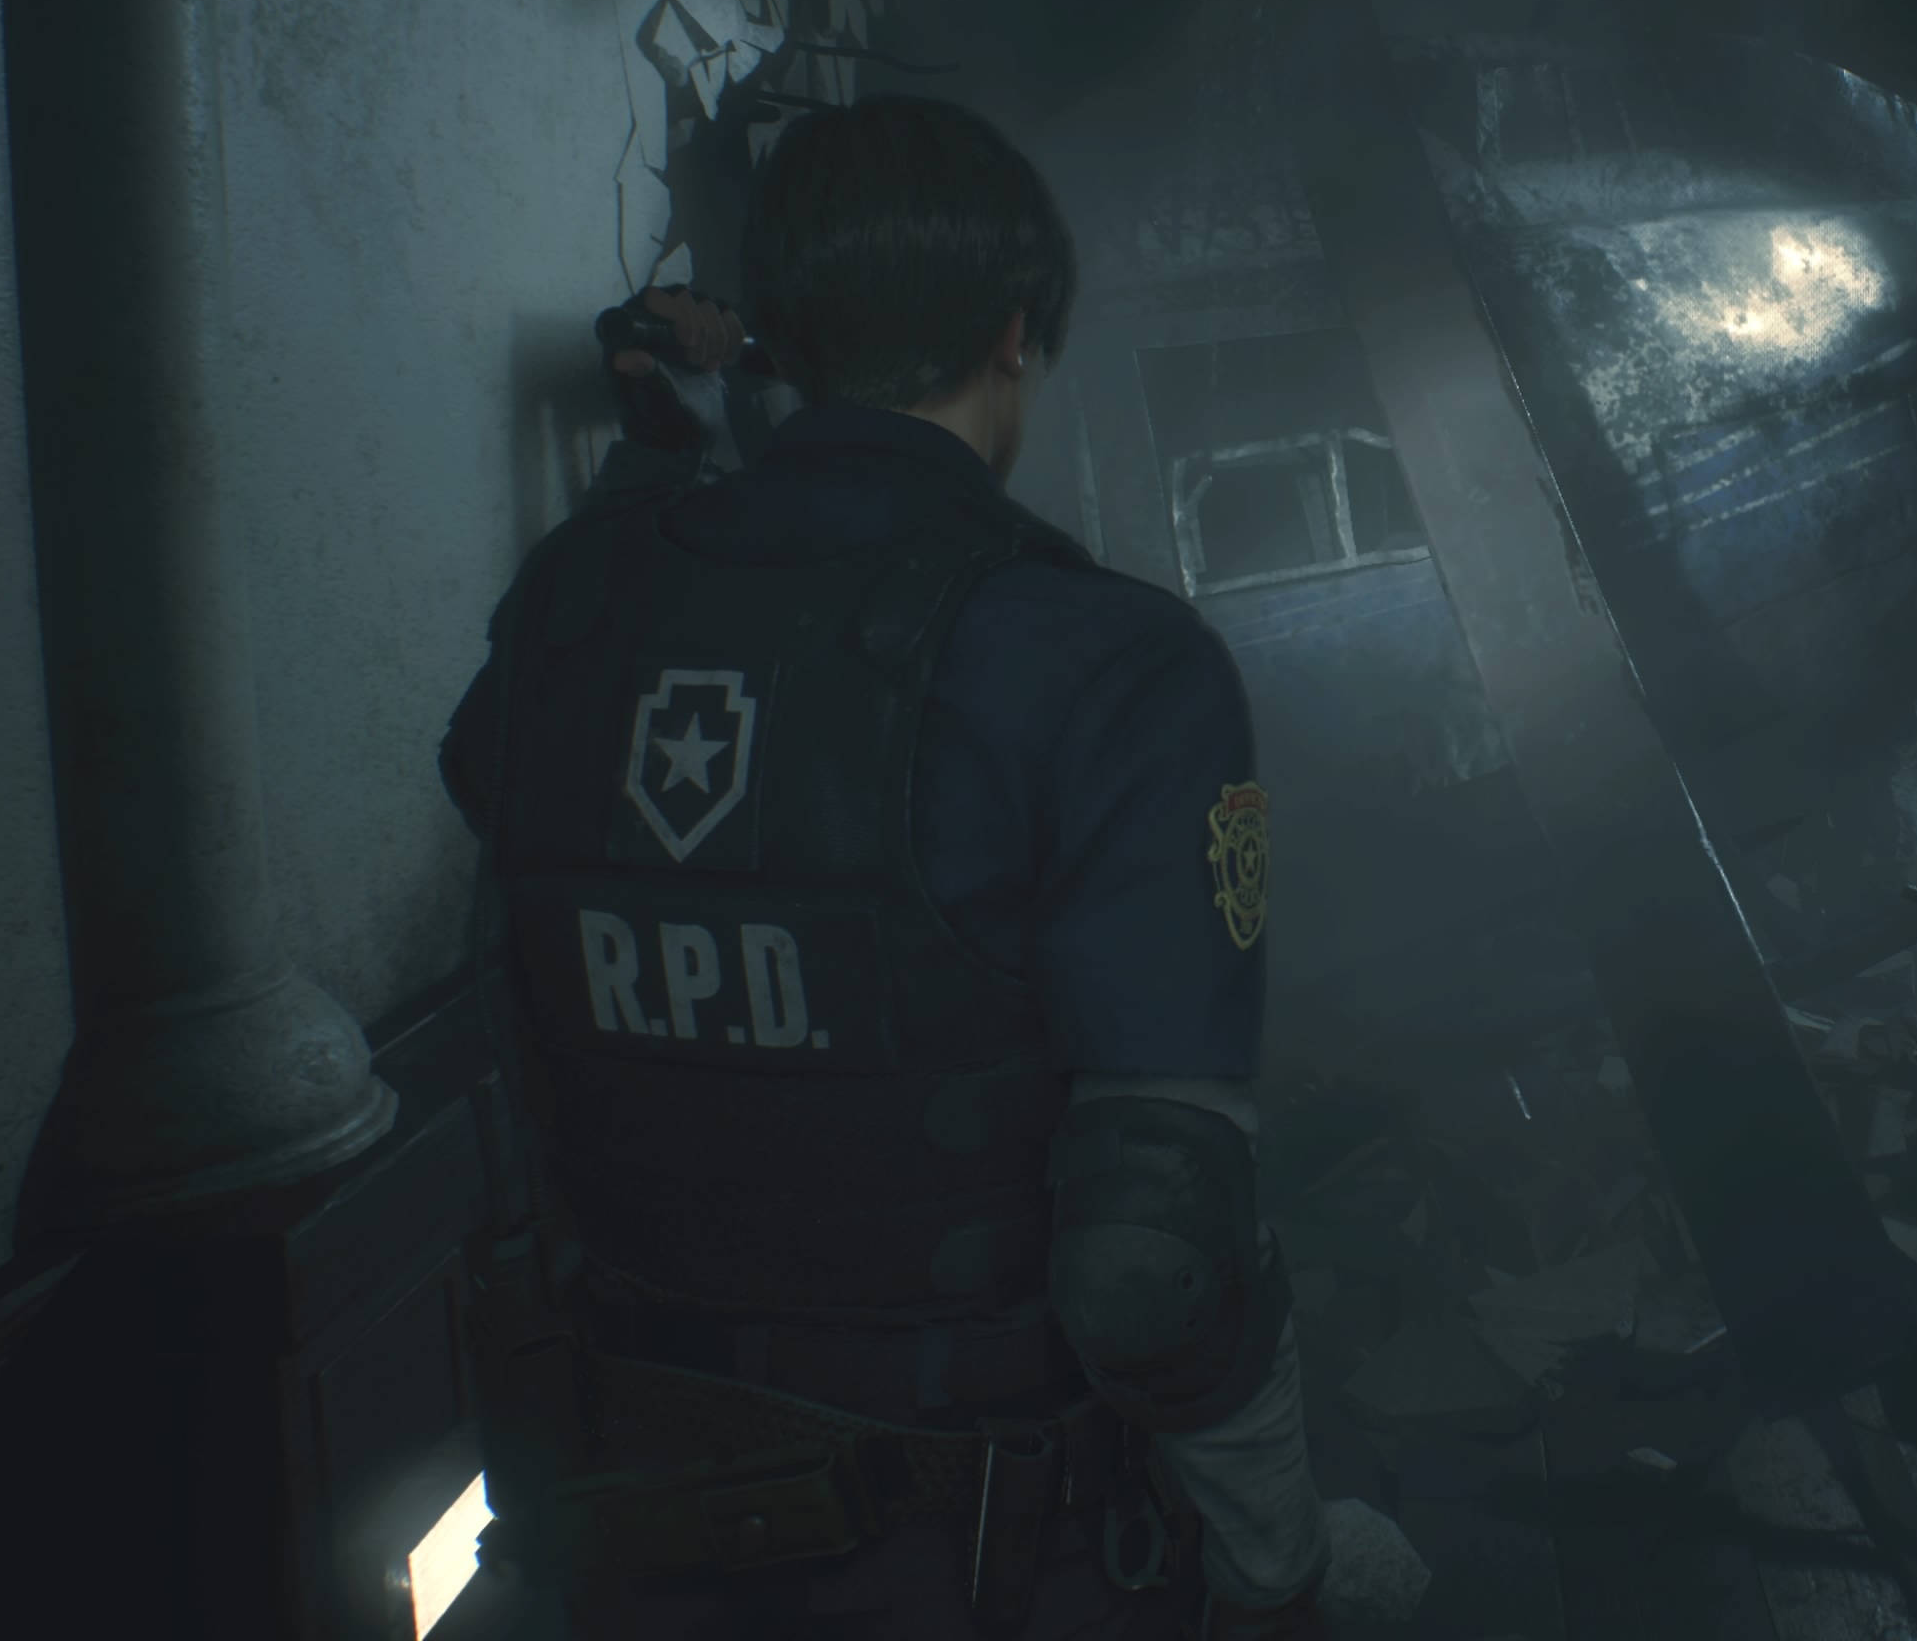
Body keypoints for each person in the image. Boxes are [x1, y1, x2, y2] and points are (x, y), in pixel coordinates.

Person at [439, 97, 1328, 1639]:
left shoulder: (577, 599)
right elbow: (1154, 1249)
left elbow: (508, 782)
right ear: (1015, 333)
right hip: (980, 1563)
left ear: (779, 338)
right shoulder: (1110, 661)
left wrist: (662, 468)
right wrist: (1278, 1572)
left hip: (616, 1539)